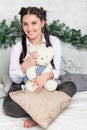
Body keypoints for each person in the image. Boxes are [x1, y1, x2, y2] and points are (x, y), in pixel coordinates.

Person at [3, 6, 77, 128]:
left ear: (42, 23)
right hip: (26, 89)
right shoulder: (17, 48)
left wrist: (46, 77)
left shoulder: (53, 42)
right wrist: (25, 66)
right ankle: (46, 111)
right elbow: (15, 79)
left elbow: (57, 71)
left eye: (34, 23)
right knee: (9, 106)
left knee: (70, 86)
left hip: (47, 89)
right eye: (25, 24)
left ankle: (36, 116)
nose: (29, 28)